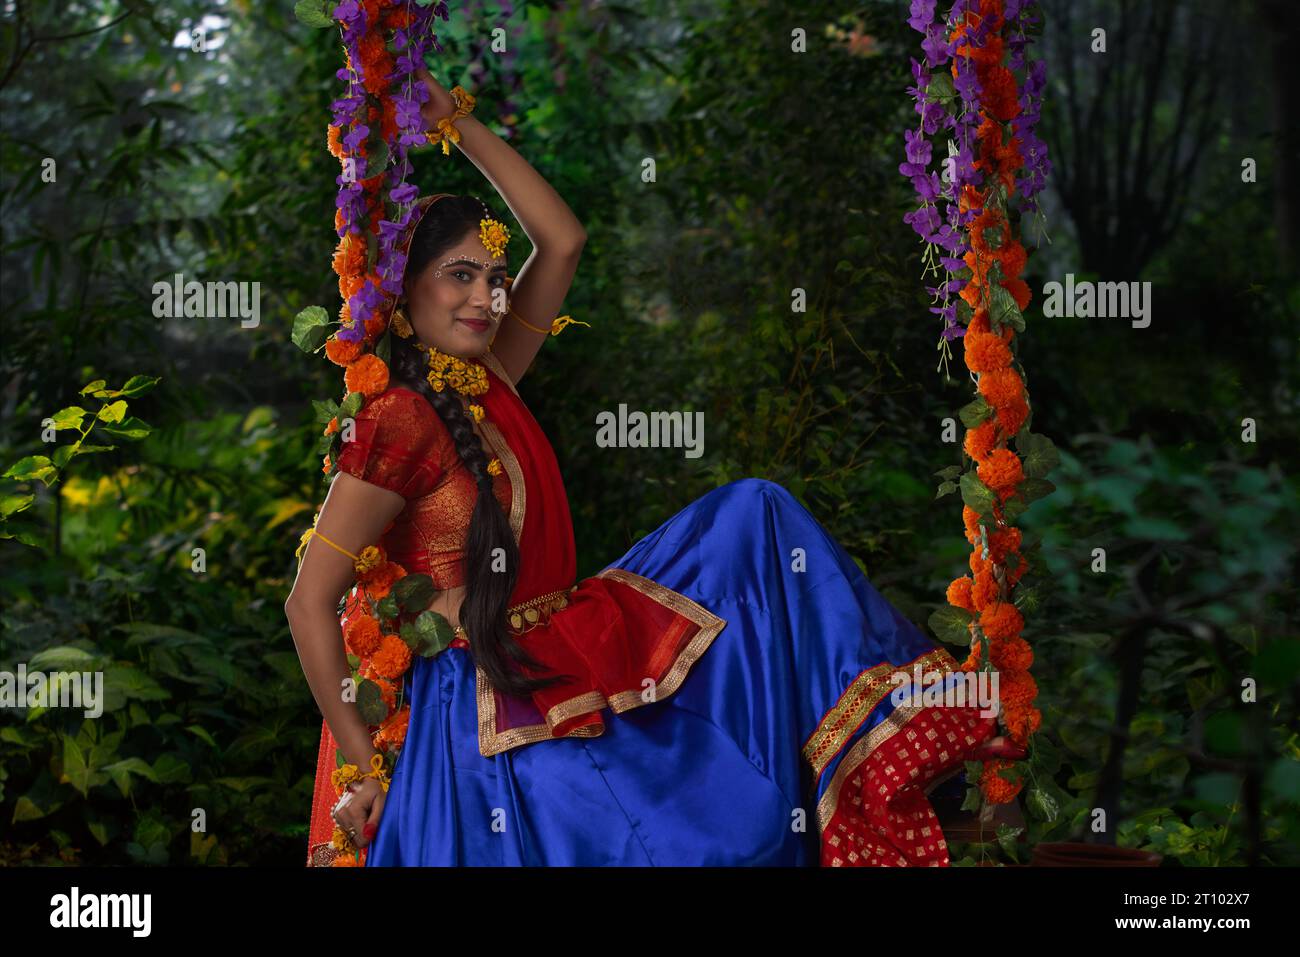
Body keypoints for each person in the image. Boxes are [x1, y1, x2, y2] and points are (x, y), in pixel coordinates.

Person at [285, 68, 1020, 868]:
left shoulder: (488, 378)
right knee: (690, 835)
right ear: (405, 287)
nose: (487, 297)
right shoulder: (398, 416)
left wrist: (456, 123)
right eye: (460, 275)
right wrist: (363, 770)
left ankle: (902, 734)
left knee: (755, 518)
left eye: (495, 280)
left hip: (552, 655)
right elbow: (309, 602)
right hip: (476, 718)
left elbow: (561, 240)